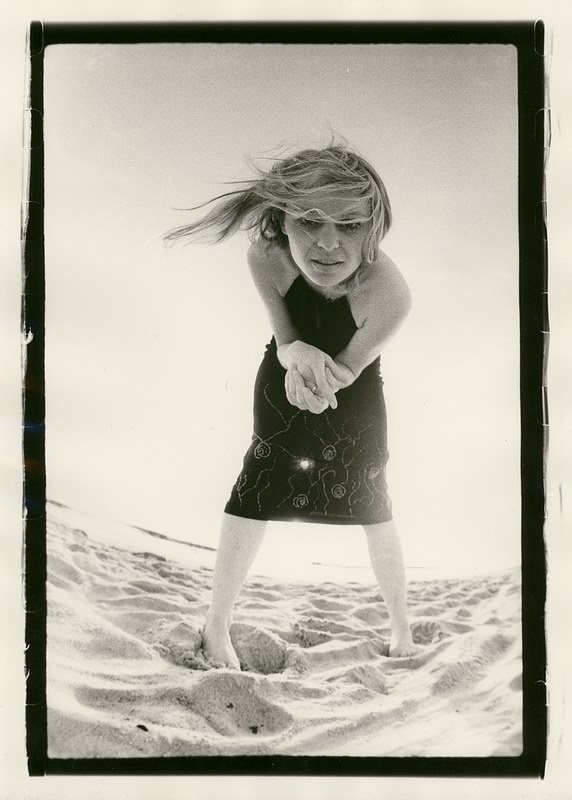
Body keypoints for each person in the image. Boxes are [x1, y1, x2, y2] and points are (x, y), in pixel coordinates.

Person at [166, 142, 417, 667]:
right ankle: (216, 625)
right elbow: (285, 340)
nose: (327, 243)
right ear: (282, 218)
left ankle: (401, 628)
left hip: (355, 386)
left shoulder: (391, 295)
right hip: (282, 369)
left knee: (375, 501)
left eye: (349, 225)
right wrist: (293, 355)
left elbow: (347, 371)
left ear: (373, 229)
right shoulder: (265, 255)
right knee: (254, 486)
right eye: (308, 221)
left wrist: (321, 382)